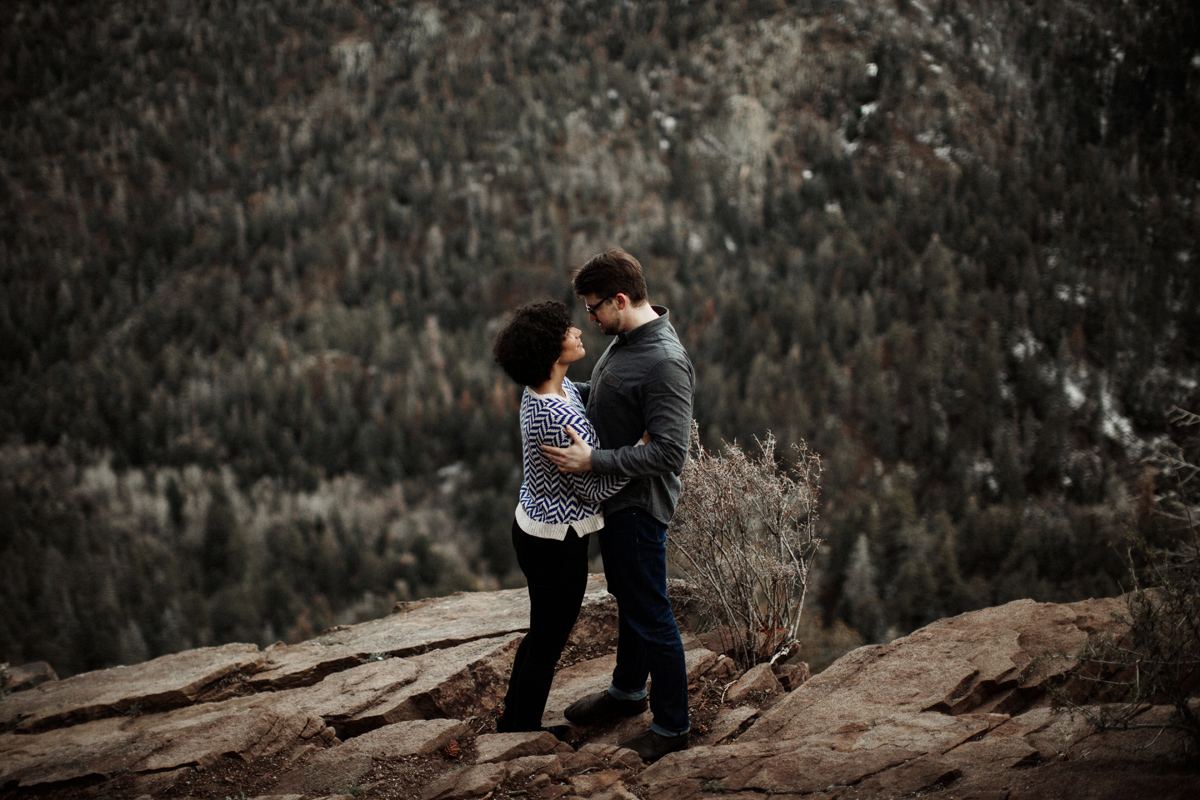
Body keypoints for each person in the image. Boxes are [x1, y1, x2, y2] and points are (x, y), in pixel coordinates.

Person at [541, 247, 696, 763]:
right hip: (617, 500)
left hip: (637, 506)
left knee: (651, 614)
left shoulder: (664, 362)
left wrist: (595, 462)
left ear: (621, 299)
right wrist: (554, 391)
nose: (589, 318)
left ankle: (673, 727)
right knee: (631, 603)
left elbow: (672, 452)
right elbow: (609, 399)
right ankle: (628, 693)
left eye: (593, 309)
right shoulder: (628, 340)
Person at [491, 300, 630, 737]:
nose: (577, 332)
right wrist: (636, 458)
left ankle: (512, 719)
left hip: (536, 528)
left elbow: (587, 396)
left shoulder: (548, 390)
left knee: (541, 634)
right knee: (548, 641)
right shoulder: (559, 416)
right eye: (567, 331)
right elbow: (593, 488)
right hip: (556, 542)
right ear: (551, 352)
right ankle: (521, 731)